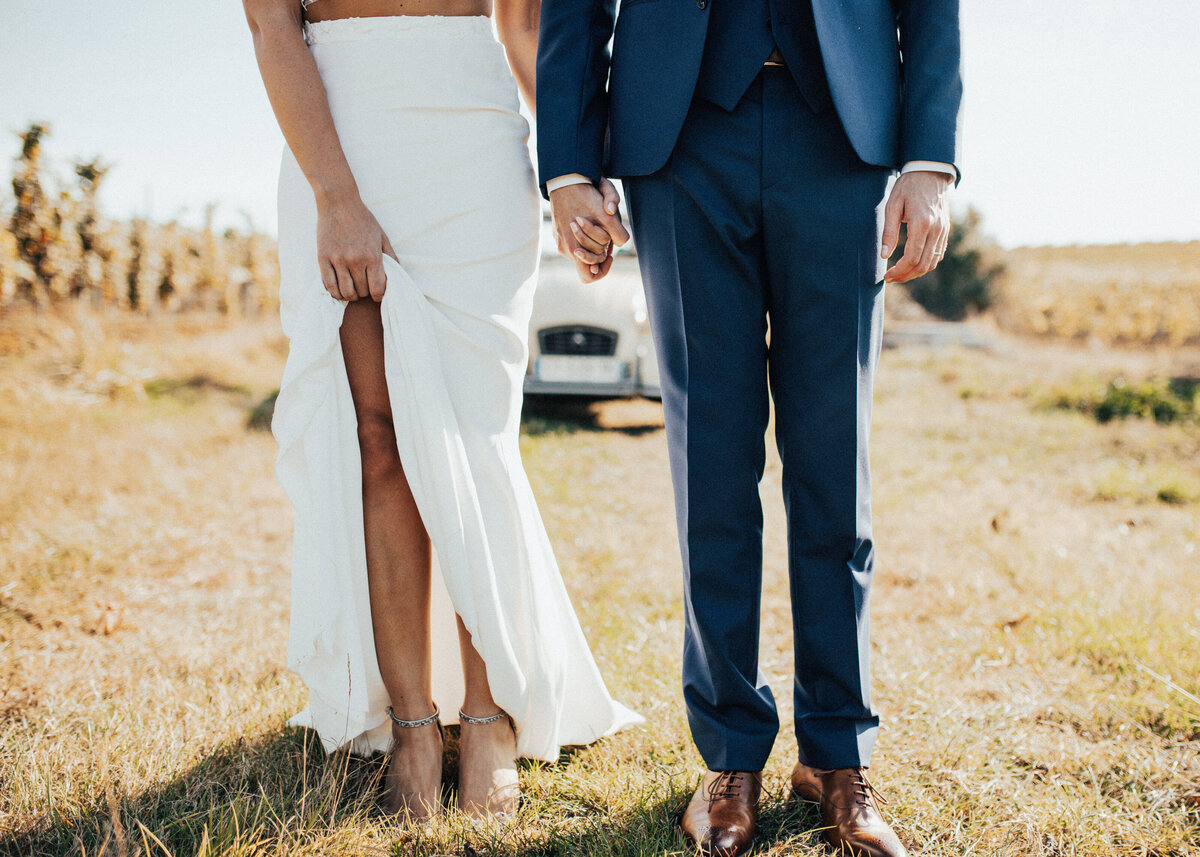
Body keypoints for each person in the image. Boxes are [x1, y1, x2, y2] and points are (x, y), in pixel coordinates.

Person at [537, 1, 962, 855]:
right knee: (713, 470)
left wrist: (930, 159)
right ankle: (731, 756)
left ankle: (837, 756)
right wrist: (571, 164)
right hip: (679, 136)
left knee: (834, 464)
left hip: (841, 134)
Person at [243, 0, 641, 822]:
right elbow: (271, 23)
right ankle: (413, 720)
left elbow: (527, 24)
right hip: (342, 130)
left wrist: (579, 174)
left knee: (473, 433)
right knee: (376, 434)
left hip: (475, 136)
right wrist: (334, 195)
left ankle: (489, 714)